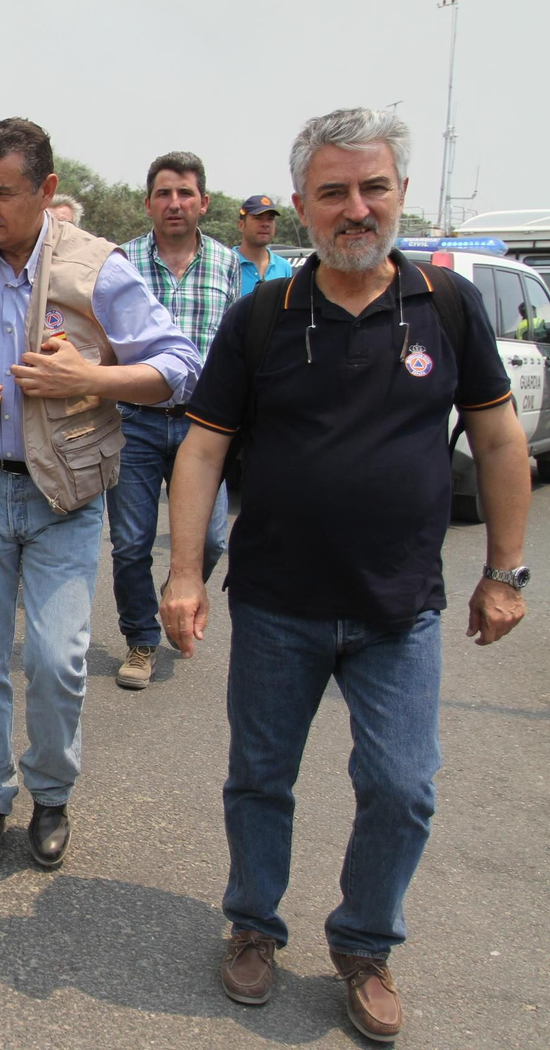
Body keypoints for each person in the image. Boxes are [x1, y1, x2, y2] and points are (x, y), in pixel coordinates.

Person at [162, 108, 530, 1043]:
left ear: (401, 195)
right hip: (279, 604)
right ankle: (253, 924)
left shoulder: (448, 309)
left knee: (403, 787)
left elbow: (496, 437)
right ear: (301, 208)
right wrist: (186, 572)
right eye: (334, 192)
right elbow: (203, 450)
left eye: (374, 188)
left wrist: (506, 572)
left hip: (398, 609)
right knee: (259, 777)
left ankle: (365, 945)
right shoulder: (263, 317)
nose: (356, 208)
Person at [0, 118, 199, 874]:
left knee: (55, 659)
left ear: (46, 191)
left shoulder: (98, 269)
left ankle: (50, 793)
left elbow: (179, 366)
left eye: (0, 194)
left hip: (65, 499)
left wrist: (92, 378)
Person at [112, 152, 242, 690]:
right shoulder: (122, 260)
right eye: (163, 193)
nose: (174, 203)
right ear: (148, 203)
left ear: (203, 202)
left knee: (211, 540)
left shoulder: (227, 264)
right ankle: (140, 639)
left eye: (185, 193)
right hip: (135, 422)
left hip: (203, 428)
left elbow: (237, 347)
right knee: (130, 542)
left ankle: (177, 588)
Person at [234, 194, 294, 295]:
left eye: (270, 219)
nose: (265, 224)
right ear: (241, 225)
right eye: (258, 218)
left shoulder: (284, 266)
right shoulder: (226, 263)